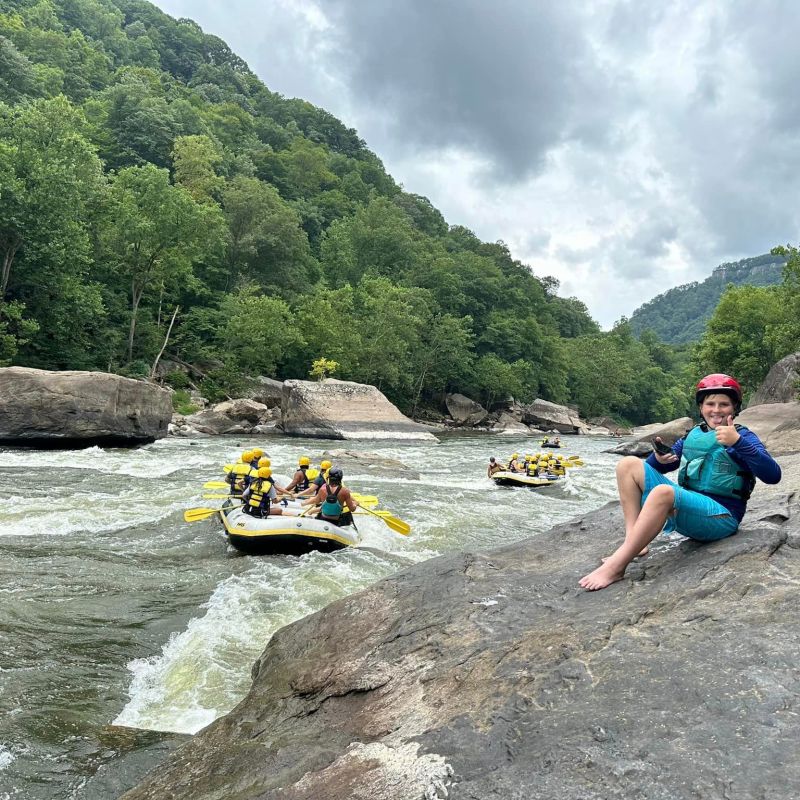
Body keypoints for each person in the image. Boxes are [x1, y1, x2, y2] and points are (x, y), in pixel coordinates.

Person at [580, 373, 782, 591]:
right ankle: (634, 543)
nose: (716, 410)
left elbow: (773, 475)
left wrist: (738, 443)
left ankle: (616, 567)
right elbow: (657, 467)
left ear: (734, 407)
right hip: (689, 509)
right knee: (628, 464)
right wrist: (658, 458)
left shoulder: (744, 437)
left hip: (721, 518)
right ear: (701, 407)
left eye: (724, 404)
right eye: (710, 403)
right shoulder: (693, 435)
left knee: (664, 492)